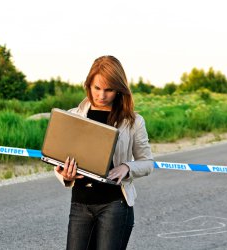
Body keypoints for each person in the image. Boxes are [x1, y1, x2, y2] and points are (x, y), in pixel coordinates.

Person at [54, 55, 153, 250]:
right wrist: (65, 176)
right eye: (96, 88)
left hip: (115, 205)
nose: (101, 95)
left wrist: (127, 167)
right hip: (80, 204)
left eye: (109, 89)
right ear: (88, 85)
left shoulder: (133, 122)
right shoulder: (73, 116)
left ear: (119, 89)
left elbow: (148, 163)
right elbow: (60, 159)